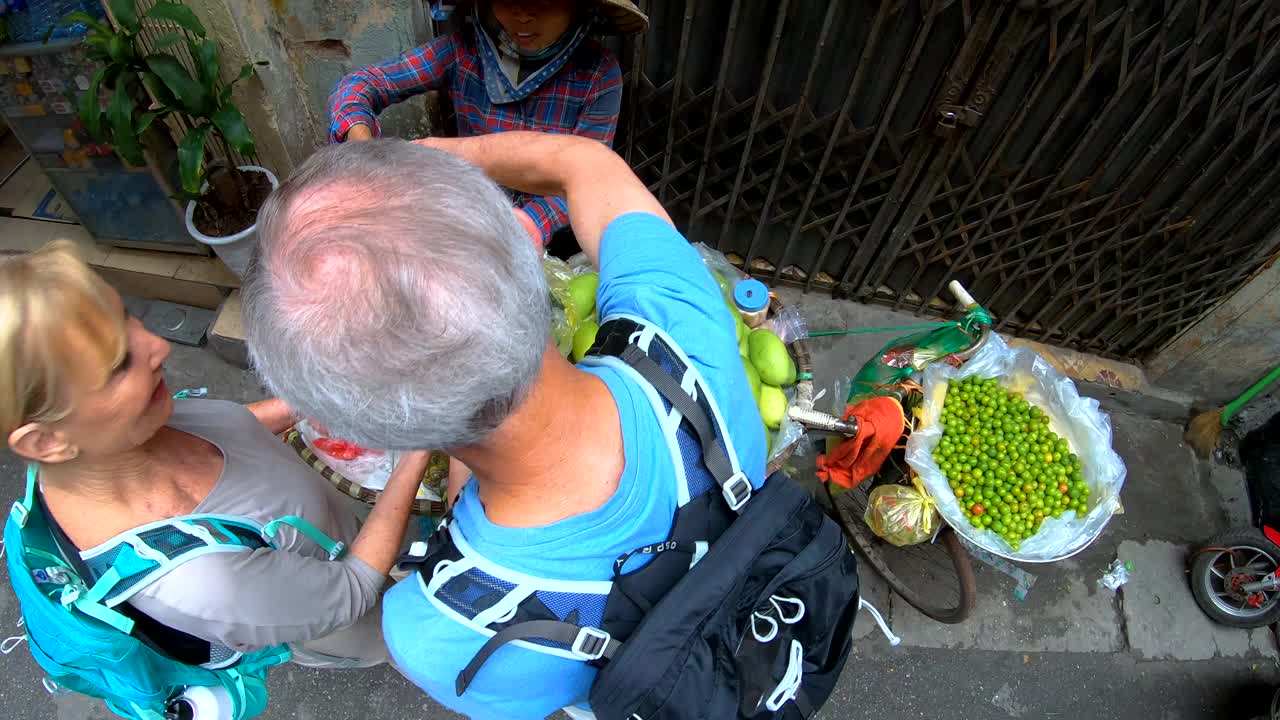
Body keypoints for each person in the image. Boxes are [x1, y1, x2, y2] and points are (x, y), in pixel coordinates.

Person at [240, 132, 768, 718]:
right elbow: (582, 162)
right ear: (525, 235)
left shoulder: (439, 628)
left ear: (368, 430)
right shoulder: (681, 325)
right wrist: (432, 152)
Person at [0, 240, 428, 671]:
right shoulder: (208, 583)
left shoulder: (120, 435)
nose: (157, 346)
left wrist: (322, 393)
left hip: (339, 539)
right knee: (403, 633)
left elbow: (230, 426)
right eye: (117, 364)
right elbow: (353, 589)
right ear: (45, 442)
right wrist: (420, 447)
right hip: (348, 609)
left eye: (126, 316)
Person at [327, 0, 646, 248]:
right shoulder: (460, 52)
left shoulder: (599, 74)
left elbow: (590, 176)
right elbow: (362, 84)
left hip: (553, 234)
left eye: (545, 1)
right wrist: (362, 145)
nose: (523, 14)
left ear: (580, 6)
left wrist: (526, 224)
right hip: (469, 218)